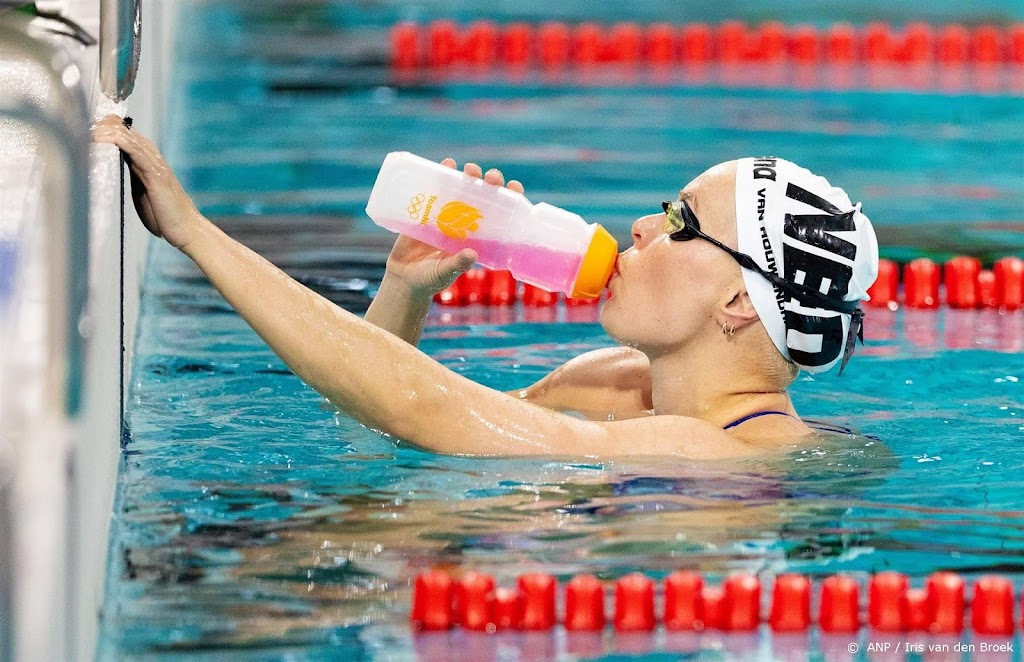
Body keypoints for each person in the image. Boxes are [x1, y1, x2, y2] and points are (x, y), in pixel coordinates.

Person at [93, 115, 878, 459]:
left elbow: (423, 410)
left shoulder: (713, 455)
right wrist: (406, 291)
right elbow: (389, 433)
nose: (642, 225)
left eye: (680, 220)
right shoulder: (604, 384)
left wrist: (194, 232)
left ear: (741, 301)